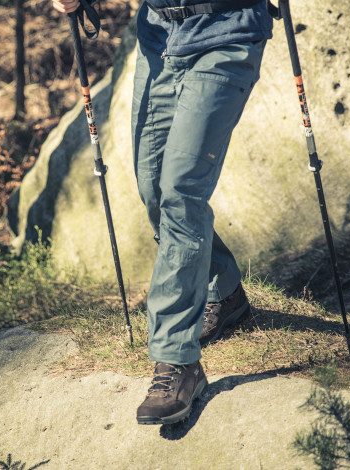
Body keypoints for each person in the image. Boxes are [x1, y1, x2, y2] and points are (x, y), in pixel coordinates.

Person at [52, 0, 273, 424]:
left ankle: (177, 358)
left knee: (180, 192)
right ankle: (223, 291)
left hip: (226, 31)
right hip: (159, 37)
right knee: (153, 187)